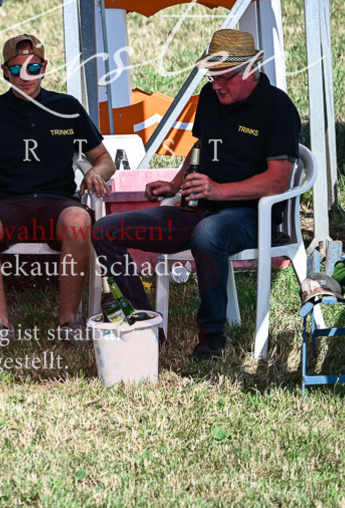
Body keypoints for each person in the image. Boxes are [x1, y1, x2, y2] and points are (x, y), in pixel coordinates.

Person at [90, 29, 302, 361]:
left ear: (251, 70)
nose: (217, 85)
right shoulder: (209, 97)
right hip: (199, 211)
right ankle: (144, 324)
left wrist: (218, 190)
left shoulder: (278, 108)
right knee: (105, 230)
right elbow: (200, 146)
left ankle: (212, 336)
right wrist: (175, 184)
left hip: (252, 217)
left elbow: (278, 181)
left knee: (208, 234)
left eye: (225, 77)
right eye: (212, 76)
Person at [0, 34, 116, 349]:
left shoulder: (66, 107)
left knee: (78, 219)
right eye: (16, 70)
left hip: (57, 203)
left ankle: (70, 321)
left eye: (33, 67)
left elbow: (104, 160)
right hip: (6, 205)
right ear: (5, 72)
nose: (25, 76)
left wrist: (96, 173)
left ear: (44, 67)